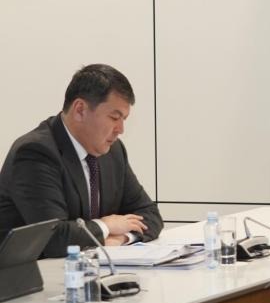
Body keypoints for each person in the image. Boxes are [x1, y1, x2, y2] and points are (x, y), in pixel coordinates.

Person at [0, 64, 162, 258]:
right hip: (34, 273)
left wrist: (121, 238)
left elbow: (150, 214)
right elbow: (53, 238)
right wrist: (105, 226)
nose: (120, 129)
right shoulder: (35, 153)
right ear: (80, 110)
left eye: (124, 120)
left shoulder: (113, 151)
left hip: (88, 270)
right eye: (114, 118)